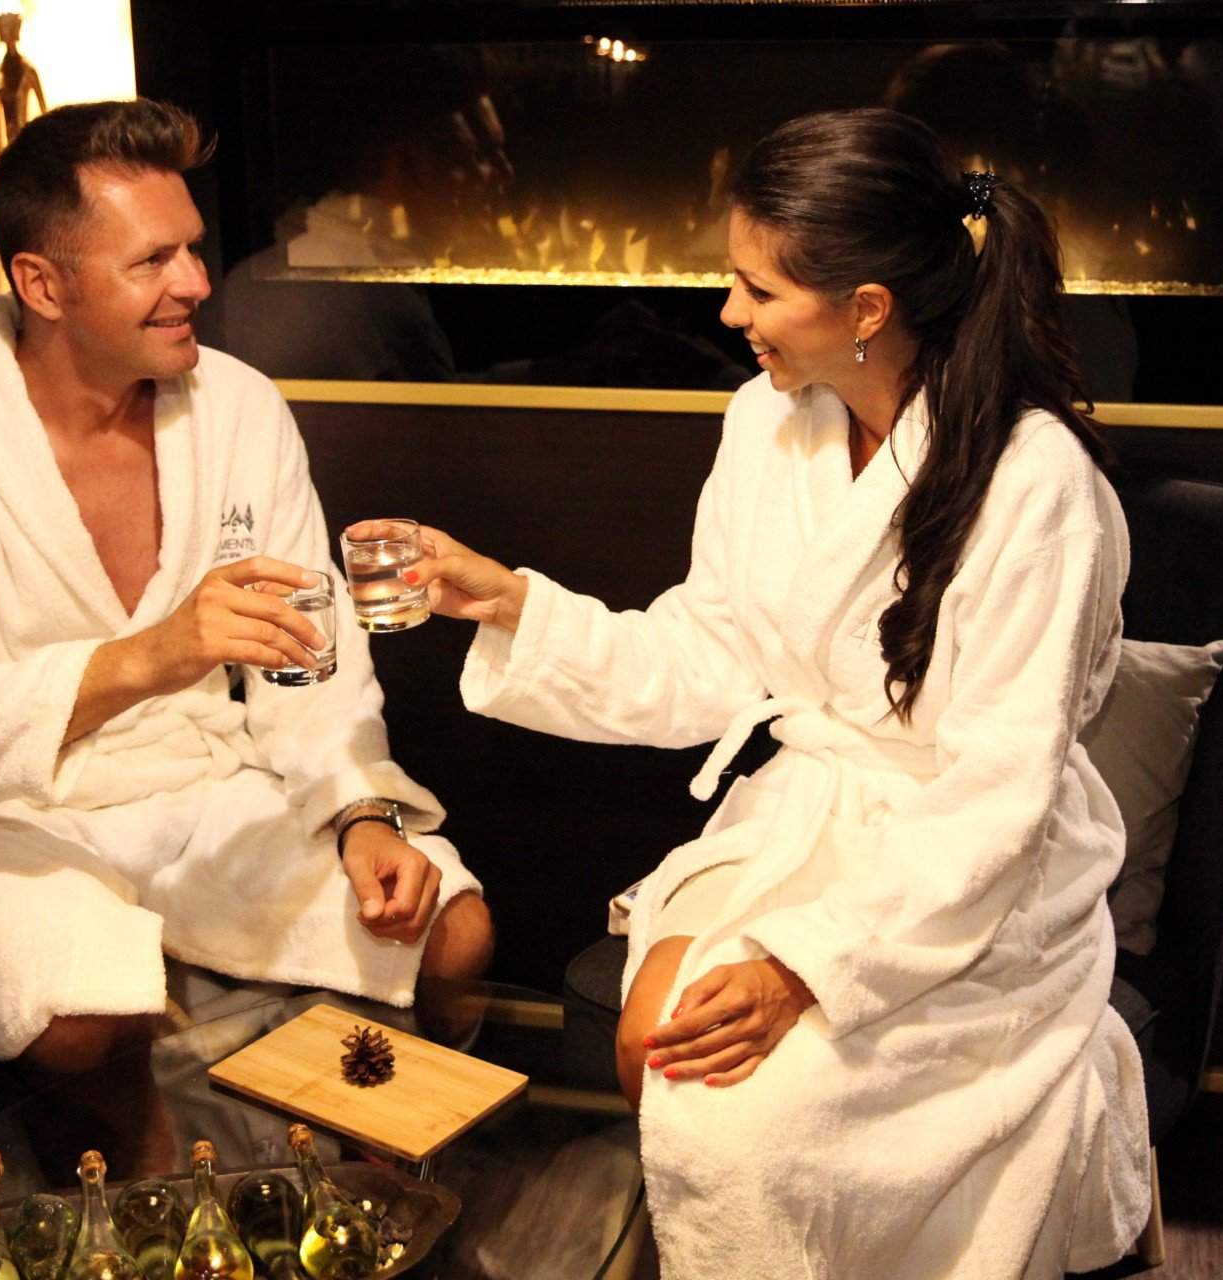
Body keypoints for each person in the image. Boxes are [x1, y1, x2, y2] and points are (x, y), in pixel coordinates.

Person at [400, 108, 1150, 1277]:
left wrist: (807, 962)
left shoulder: (1031, 480)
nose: (726, 313)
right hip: (809, 814)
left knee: (733, 1116)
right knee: (654, 1044)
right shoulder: (767, 422)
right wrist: (510, 606)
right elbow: (712, 657)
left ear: (866, 309)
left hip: (965, 871)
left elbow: (997, 797)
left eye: (758, 288)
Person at [0, 98, 492, 1075]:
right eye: (152, 261)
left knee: (451, 933)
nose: (197, 283)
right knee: (79, 1012)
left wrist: (357, 809)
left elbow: (311, 659)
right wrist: (150, 657)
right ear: (42, 284)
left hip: (197, 787)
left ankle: (364, 1161)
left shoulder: (237, 409)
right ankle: (155, 1171)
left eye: (192, 248)